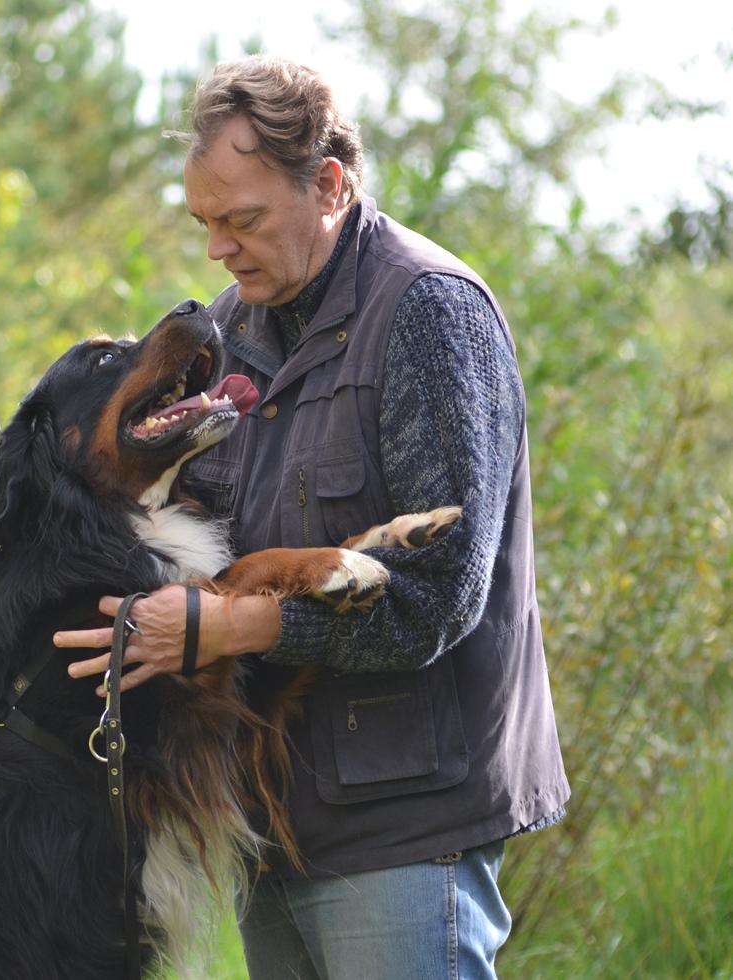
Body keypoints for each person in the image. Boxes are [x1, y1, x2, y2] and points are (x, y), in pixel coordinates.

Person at [54, 56, 569, 979]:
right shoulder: (232, 324)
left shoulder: (430, 315)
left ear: (328, 183)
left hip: (407, 824)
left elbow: (442, 598)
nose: (218, 248)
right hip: (267, 817)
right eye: (205, 223)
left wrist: (230, 626)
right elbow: (191, 528)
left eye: (242, 219)